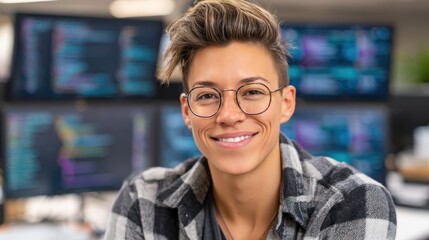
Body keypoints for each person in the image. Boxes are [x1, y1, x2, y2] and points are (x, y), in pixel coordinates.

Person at [104, 0, 397, 239]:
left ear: (286, 103)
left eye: (253, 92)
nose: (229, 115)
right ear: (186, 112)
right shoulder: (143, 201)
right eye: (207, 96)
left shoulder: (352, 202)